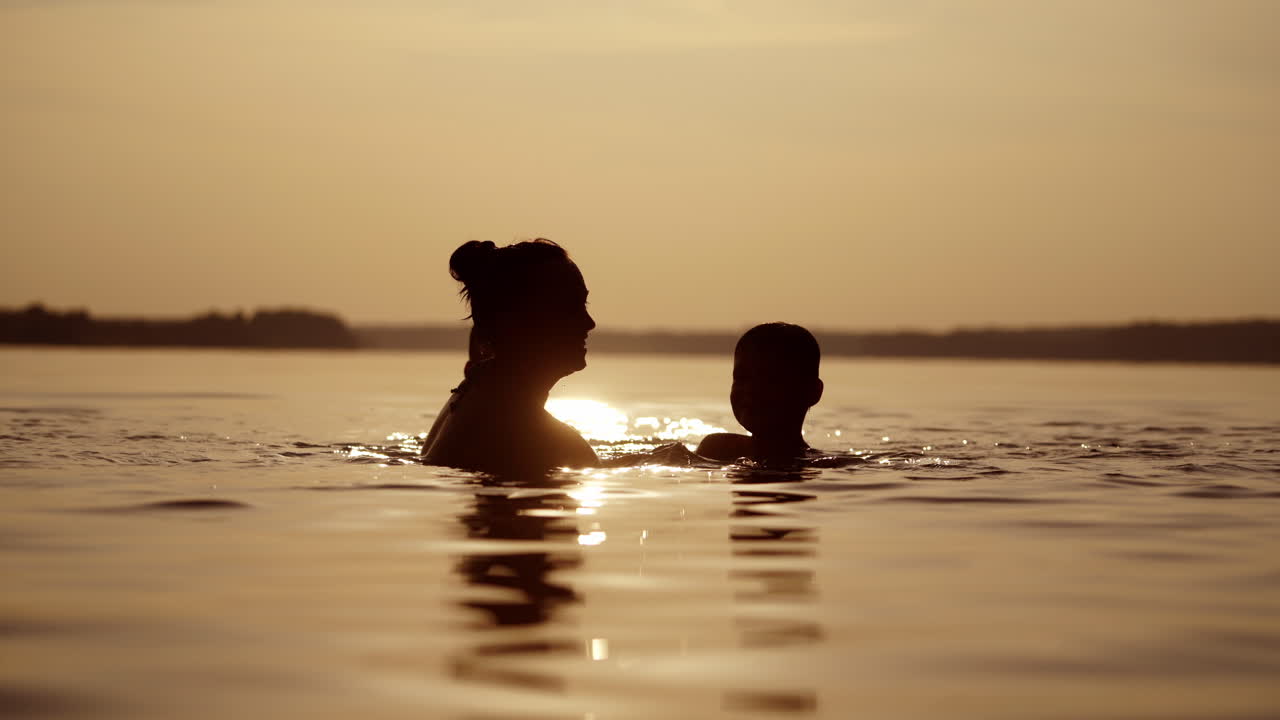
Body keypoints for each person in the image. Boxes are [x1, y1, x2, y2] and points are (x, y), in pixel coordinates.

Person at [422, 239, 599, 472]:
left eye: (583, 304)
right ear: (520, 321)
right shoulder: (548, 440)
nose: (589, 323)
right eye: (570, 308)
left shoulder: (472, 394)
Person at [696, 322, 824, 463]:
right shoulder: (717, 448)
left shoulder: (821, 463)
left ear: (813, 392)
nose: (751, 390)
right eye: (742, 378)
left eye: (770, 379)